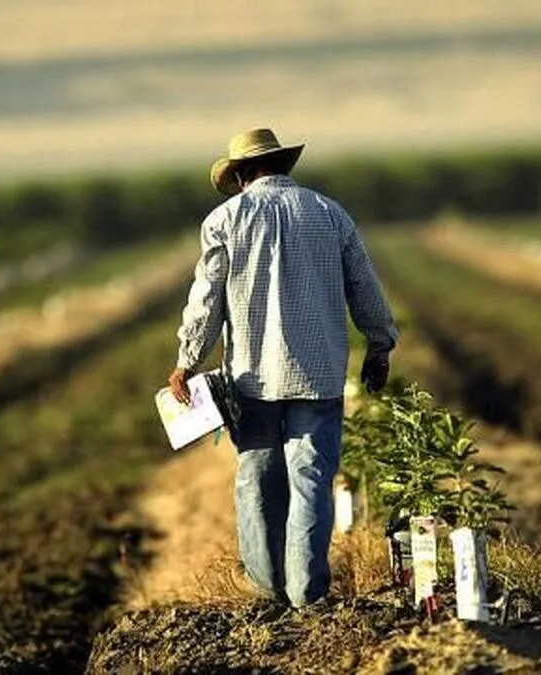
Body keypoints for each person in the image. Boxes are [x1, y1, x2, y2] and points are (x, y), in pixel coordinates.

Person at [169, 127, 399, 608]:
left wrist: (187, 360)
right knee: (312, 481)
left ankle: (268, 592)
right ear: (281, 166)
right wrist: (380, 345)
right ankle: (306, 595)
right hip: (318, 375)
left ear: (241, 176)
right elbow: (364, 288)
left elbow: (206, 299)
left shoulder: (224, 220)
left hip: (251, 378)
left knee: (256, 482)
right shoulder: (329, 213)